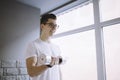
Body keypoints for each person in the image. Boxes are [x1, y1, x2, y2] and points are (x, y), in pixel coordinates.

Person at [25, 14, 62, 80]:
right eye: (51, 25)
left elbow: (58, 71)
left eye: (55, 25)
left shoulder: (57, 47)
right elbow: (31, 72)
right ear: (42, 26)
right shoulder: (33, 45)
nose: (54, 28)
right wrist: (47, 65)